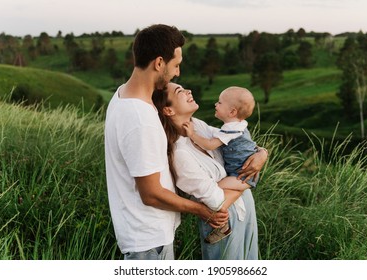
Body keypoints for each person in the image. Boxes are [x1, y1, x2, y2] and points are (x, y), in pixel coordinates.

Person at [104, 24, 229, 260]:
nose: (178, 73)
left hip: (144, 235)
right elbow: (150, 194)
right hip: (148, 241)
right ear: (159, 63)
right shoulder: (140, 118)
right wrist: (202, 211)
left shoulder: (123, 94)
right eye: (176, 65)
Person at [152, 82, 268, 259]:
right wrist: (247, 182)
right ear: (168, 110)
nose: (188, 90)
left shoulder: (198, 126)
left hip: (245, 207)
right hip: (222, 222)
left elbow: (237, 141)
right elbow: (217, 202)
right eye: (179, 91)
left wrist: (262, 153)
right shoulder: (180, 154)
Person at [183, 86, 265, 243]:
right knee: (220, 194)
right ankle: (222, 224)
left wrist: (192, 134)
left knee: (215, 191)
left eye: (219, 103)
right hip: (242, 175)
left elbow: (210, 144)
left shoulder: (231, 131)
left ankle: (222, 226)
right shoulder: (236, 126)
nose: (215, 104)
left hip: (241, 175)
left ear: (232, 112)